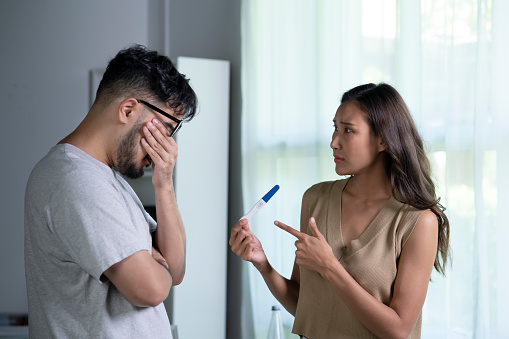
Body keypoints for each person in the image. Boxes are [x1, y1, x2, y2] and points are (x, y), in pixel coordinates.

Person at [230, 83, 450, 338]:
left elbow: (399, 330)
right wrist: (263, 264)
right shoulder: (316, 199)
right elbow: (305, 304)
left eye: (348, 130)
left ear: (382, 140)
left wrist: (330, 266)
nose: (334, 142)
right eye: (335, 128)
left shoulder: (418, 220)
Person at [24, 44, 197, 338]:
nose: (168, 146)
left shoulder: (107, 180)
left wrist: (164, 184)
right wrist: (152, 263)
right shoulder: (76, 179)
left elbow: (175, 271)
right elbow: (151, 289)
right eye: (166, 129)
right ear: (128, 109)